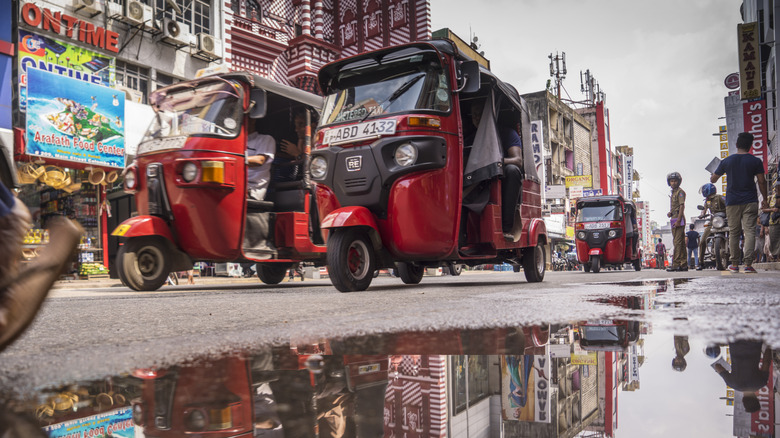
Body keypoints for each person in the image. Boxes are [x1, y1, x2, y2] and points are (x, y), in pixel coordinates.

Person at [710, 132, 769, 273]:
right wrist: (765, 199)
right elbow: (762, 181)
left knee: (734, 232)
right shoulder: (755, 161)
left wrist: (713, 174)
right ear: (750, 146)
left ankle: (735, 264)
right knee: (749, 231)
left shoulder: (727, 161)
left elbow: (713, 180)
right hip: (750, 201)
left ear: (737, 145)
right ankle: (748, 264)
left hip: (732, 202)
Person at [468, 100, 524, 240]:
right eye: (474, 115)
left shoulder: (507, 133)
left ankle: (506, 228)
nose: (476, 118)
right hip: (475, 181)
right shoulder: (470, 138)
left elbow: (518, 160)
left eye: (480, 114)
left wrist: (493, 163)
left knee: (512, 170)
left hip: (499, 178)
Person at [713, 340, 772, 413]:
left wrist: (769, 346)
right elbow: (717, 366)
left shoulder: (761, 382)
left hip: (755, 342)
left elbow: (766, 362)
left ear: (756, 398)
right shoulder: (732, 383)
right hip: (735, 342)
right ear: (743, 400)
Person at [271, 110, 307, 184]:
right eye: (296, 126)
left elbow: (310, 166)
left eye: (301, 124)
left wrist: (297, 154)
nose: (296, 130)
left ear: (313, 125)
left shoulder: (317, 142)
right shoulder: (301, 141)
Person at [697, 183, 726, 270]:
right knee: (703, 241)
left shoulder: (720, 197)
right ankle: (701, 262)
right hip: (713, 222)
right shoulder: (707, 201)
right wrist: (702, 215)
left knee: (734, 235)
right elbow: (704, 210)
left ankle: (733, 257)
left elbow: (728, 205)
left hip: (724, 221)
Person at [247, 124, 276, 201]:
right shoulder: (233, 140)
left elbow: (259, 160)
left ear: (253, 120)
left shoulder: (266, 139)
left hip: (251, 190)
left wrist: (235, 159)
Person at [666, 172, 687, 271]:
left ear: (679, 182)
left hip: (678, 218)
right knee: (680, 242)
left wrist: (678, 220)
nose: (673, 183)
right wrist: (670, 213)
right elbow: (676, 206)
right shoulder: (673, 193)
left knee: (677, 242)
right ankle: (683, 264)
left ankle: (676, 264)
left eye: (675, 181)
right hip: (674, 217)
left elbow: (682, 206)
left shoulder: (680, 192)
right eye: (671, 181)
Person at [762, 180, 780, 260]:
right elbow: (763, 209)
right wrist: (772, 210)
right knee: (773, 240)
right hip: (773, 222)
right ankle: (775, 256)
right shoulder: (770, 198)